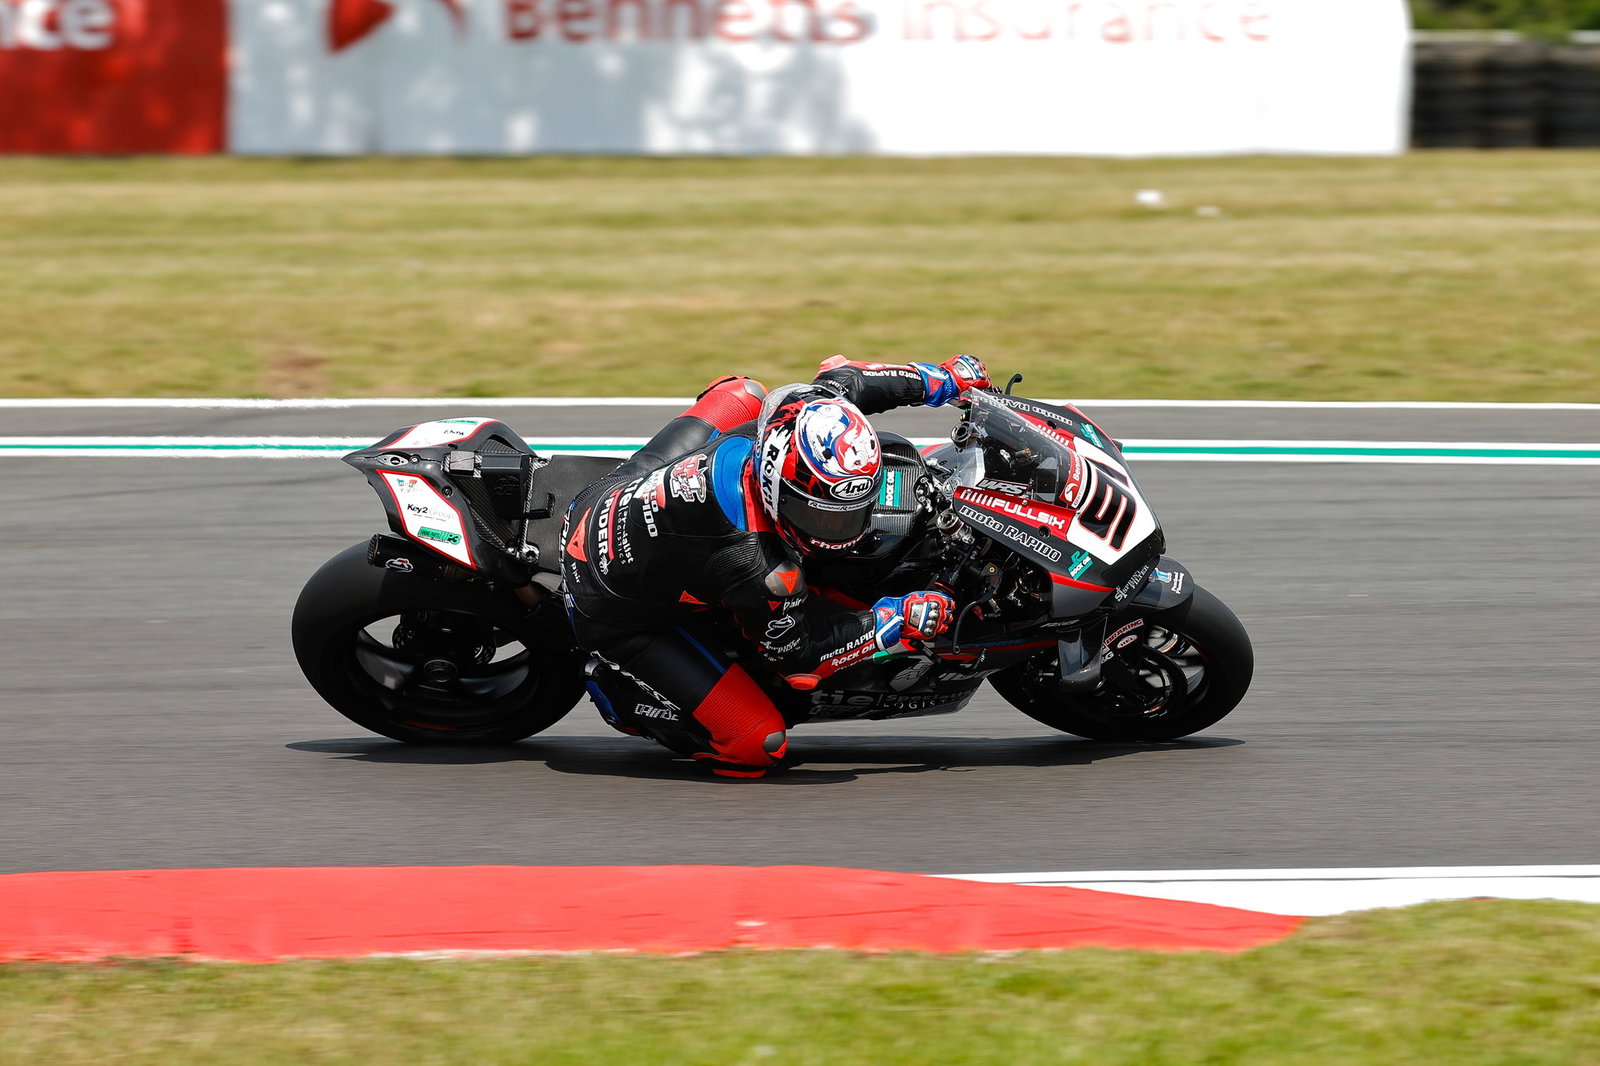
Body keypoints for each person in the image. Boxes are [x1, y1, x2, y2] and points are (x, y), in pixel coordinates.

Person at [560, 354, 991, 778]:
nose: (845, 530)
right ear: (774, 484)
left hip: (618, 490)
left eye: (852, 512)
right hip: (611, 607)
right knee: (757, 744)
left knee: (743, 392)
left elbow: (853, 378)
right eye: (823, 517)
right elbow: (802, 658)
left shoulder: (801, 411)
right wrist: (895, 619)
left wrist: (944, 379)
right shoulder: (755, 565)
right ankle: (619, 693)